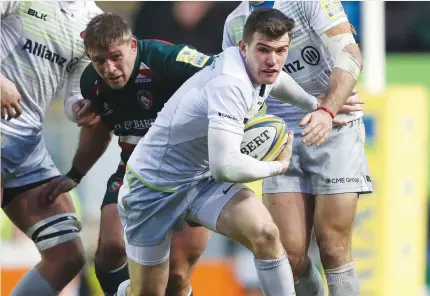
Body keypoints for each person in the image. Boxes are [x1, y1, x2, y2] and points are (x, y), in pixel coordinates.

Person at [110, 7, 335, 296]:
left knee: (265, 233)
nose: (273, 60)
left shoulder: (261, 68)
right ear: (243, 47)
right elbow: (225, 167)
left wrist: (314, 106)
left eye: (281, 51)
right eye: (264, 50)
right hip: (152, 187)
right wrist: (277, 167)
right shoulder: (230, 83)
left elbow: (278, 82)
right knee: (149, 293)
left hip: (201, 181)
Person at [38, 13, 215, 296]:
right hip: (134, 172)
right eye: (99, 61)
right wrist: (75, 174)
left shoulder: (167, 60)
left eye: (115, 57)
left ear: (132, 45)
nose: (108, 68)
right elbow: (98, 131)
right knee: (111, 248)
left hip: (191, 174)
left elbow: (225, 74)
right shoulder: (92, 83)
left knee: (178, 275)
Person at [223, 1, 373, 296]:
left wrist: (326, 109)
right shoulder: (233, 23)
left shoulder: (310, 2)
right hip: (280, 138)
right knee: (290, 258)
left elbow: (351, 53)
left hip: (336, 126)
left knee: (332, 247)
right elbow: (237, 85)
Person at [0, 1, 102, 295]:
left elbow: (73, 92)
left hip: (27, 145)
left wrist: (80, 108)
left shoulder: (93, 19)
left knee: (68, 256)